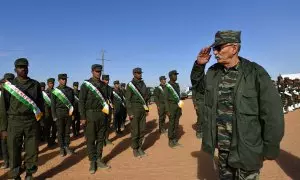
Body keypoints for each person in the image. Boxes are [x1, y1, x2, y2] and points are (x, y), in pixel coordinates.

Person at [190, 30, 284, 179]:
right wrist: (199, 66)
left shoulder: (255, 72)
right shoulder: (213, 72)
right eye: (214, 48)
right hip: (223, 148)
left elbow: (272, 114)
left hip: (247, 148)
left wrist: (270, 148)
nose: (215, 52)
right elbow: (199, 88)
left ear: (234, 49)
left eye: (219, 48)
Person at [0, 58, 44, 180]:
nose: (23, 69)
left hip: (31, 121)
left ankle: (29, 173)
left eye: (25, 66)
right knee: (14, 150)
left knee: (32, 149)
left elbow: (40, 104)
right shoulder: (10, 86)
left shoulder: (35, 84)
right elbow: (3, 108)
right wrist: (3, 128)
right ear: (15, 69)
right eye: (20, 67)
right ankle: (16, 175)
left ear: (28, 68)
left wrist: (40, 121)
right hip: (14, 121)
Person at [79, 64, 111, 174]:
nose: (99, 73)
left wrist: (107, 115)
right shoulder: (86, 84)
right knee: (91, 139)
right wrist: (82, 117)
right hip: (90, 115)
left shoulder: (104, 85)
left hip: (102, 115)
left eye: (100, 71)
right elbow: (81, 101)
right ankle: (92, 161)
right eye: (97, 71)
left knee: (101, 139)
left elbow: (106, 101)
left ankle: (99, 159)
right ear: (92, 71)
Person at [125, 67, 149, 157]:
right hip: (134, 109)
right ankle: (135, 148)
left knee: (142, 130)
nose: (140, 74)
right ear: (134, 74)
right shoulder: (130, 85)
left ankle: (140, 147)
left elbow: (145, 97)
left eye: (140, 73)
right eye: (138, 73)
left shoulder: (143, 83)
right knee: (135, 130)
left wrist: (146, 109)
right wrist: (130, 112)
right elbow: (127, 100)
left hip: (142, 109)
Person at [51, 73, 75, 157]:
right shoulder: (55, 91)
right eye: (62, 79)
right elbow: (53, 105)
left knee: (67, 131)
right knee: (60, 132)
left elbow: (72, 103)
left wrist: (72, 114)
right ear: (58, 80)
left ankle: (67, 146)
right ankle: (61, 148)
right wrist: (54, 116)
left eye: (65, 79)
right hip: (59, 113)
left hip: (68, 113)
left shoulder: (70, 90)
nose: (64, 81)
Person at [164, 70, 183, 148]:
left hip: (177, 107)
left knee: (176, 124)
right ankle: (170, 141)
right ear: (170, 76)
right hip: (171, 106)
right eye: (174, 75)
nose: (176, 76)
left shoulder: (177, 85)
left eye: (176, 75)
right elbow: (165, 99)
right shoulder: (167, 86)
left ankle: (175, 139)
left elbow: (179, 97)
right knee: (171, 124)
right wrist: (167, 110)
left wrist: (181, 108)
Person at [0, 73, 15, 169]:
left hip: (11, 121)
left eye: (10, 80)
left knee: (12, 143)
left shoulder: (14, 94)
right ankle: (6, 161)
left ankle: (12, 162)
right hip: (2, 122)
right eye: (6, 81)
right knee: (3, 143)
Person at [44, 78, 57, 147]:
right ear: (48, 84)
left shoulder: (56, 91)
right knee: (48, 129)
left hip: (54, 113)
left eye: (52, 83)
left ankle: (53, 140)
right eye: (50, 83)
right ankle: (49, 142)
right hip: (47, 114)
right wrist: (46, 113)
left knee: (55, 128)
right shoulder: (45, 93)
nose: (51, 84)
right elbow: (43, 104)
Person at [102, 75, 114, 145]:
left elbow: (112, 98)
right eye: (105, 80)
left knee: (107, 124)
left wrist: (112, 107)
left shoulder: (110, 88)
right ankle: (101, 140)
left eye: (108, 80)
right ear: (102, 80)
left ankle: (106, 138)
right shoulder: (98, 88)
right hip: (101, 109)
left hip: (108, 109)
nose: (107, 81)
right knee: (101, 125)